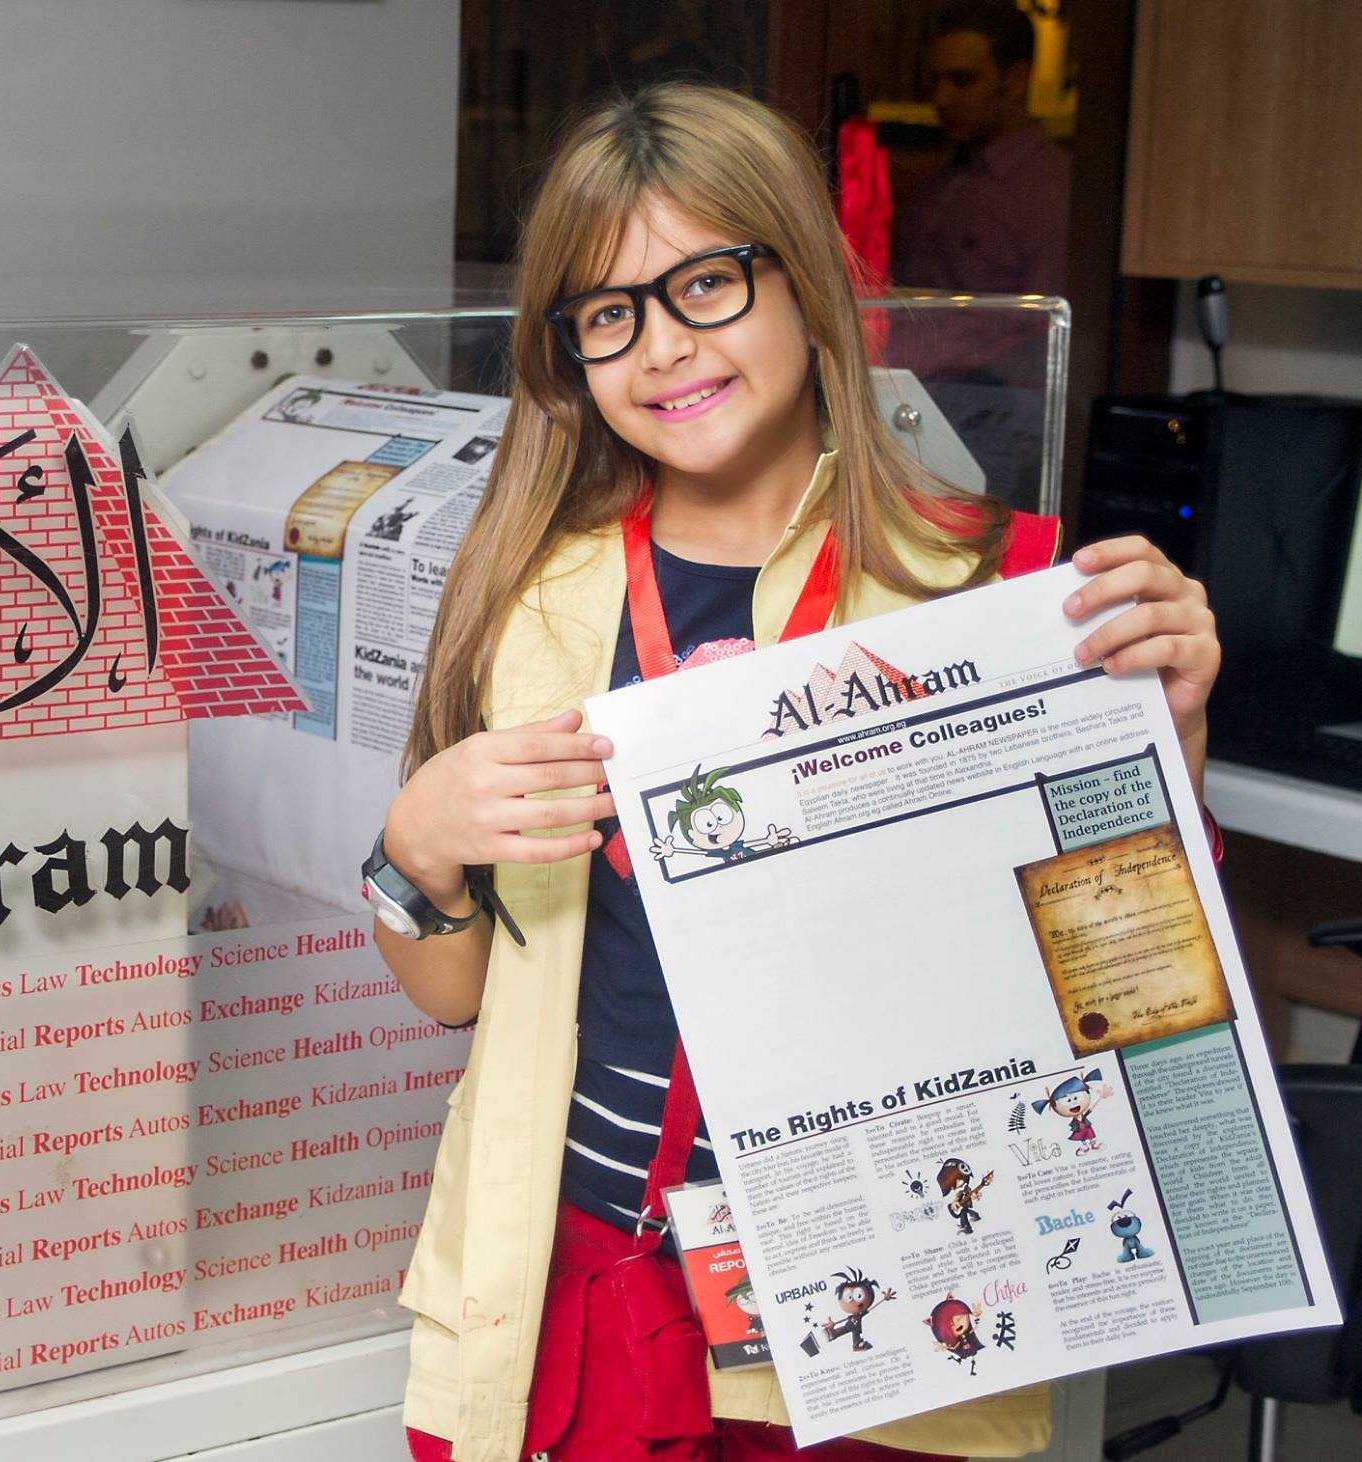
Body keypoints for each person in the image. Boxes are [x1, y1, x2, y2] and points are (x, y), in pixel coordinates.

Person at [369, 81, 1221, 1462]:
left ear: (804, 281)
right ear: (569, 353)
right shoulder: (528, 592)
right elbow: (457, 991)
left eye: (705, 283)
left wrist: (1167, 745)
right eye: (606, 313)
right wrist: (415, 848)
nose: (662, 347)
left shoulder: (991, 587)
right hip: (577, 1283)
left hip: (888, 1290)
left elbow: (1130, 985)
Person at [893, 1, 1070, 298]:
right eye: (935, 81)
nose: (942, 98)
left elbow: (1046, 319)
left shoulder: (1050, 192)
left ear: (1016, 80)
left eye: (962, 81)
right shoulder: (945, 178)